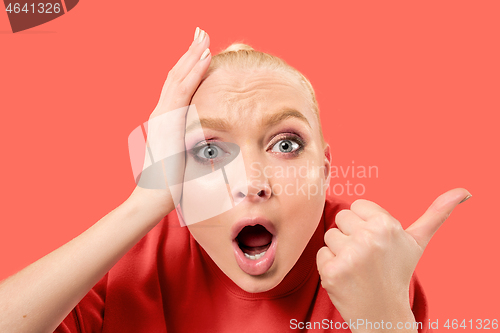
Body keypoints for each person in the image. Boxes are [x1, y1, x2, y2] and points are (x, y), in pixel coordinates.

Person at [0, 27, 471, 333]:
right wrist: (143, 203)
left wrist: (386, 324)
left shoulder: (368, 261)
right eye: (209, 151)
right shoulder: (130, 263)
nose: (252, 183)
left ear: (325, 169)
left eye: (286, 144)